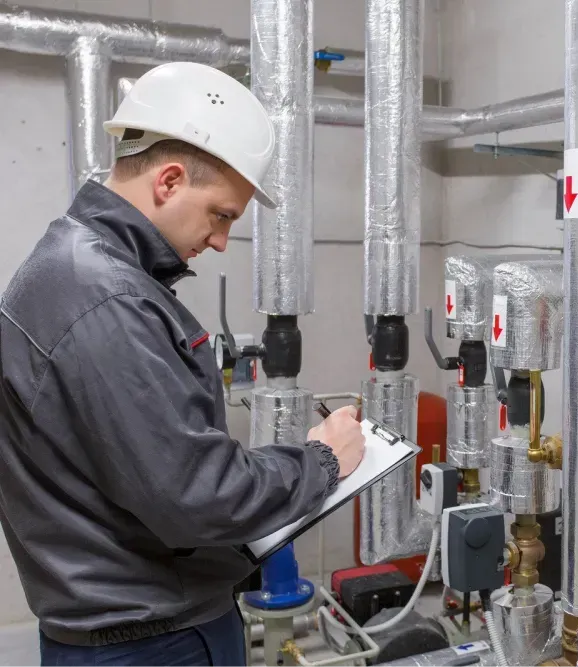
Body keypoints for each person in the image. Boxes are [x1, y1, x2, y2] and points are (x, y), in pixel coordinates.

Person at [0, 62, 365, 666]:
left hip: (118, 627)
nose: (220, 240)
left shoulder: (68, 265)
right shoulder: (108, 300)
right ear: (169, 181)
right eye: (221, 214)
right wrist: (322, 460)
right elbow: (200, 496)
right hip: (154, 639)